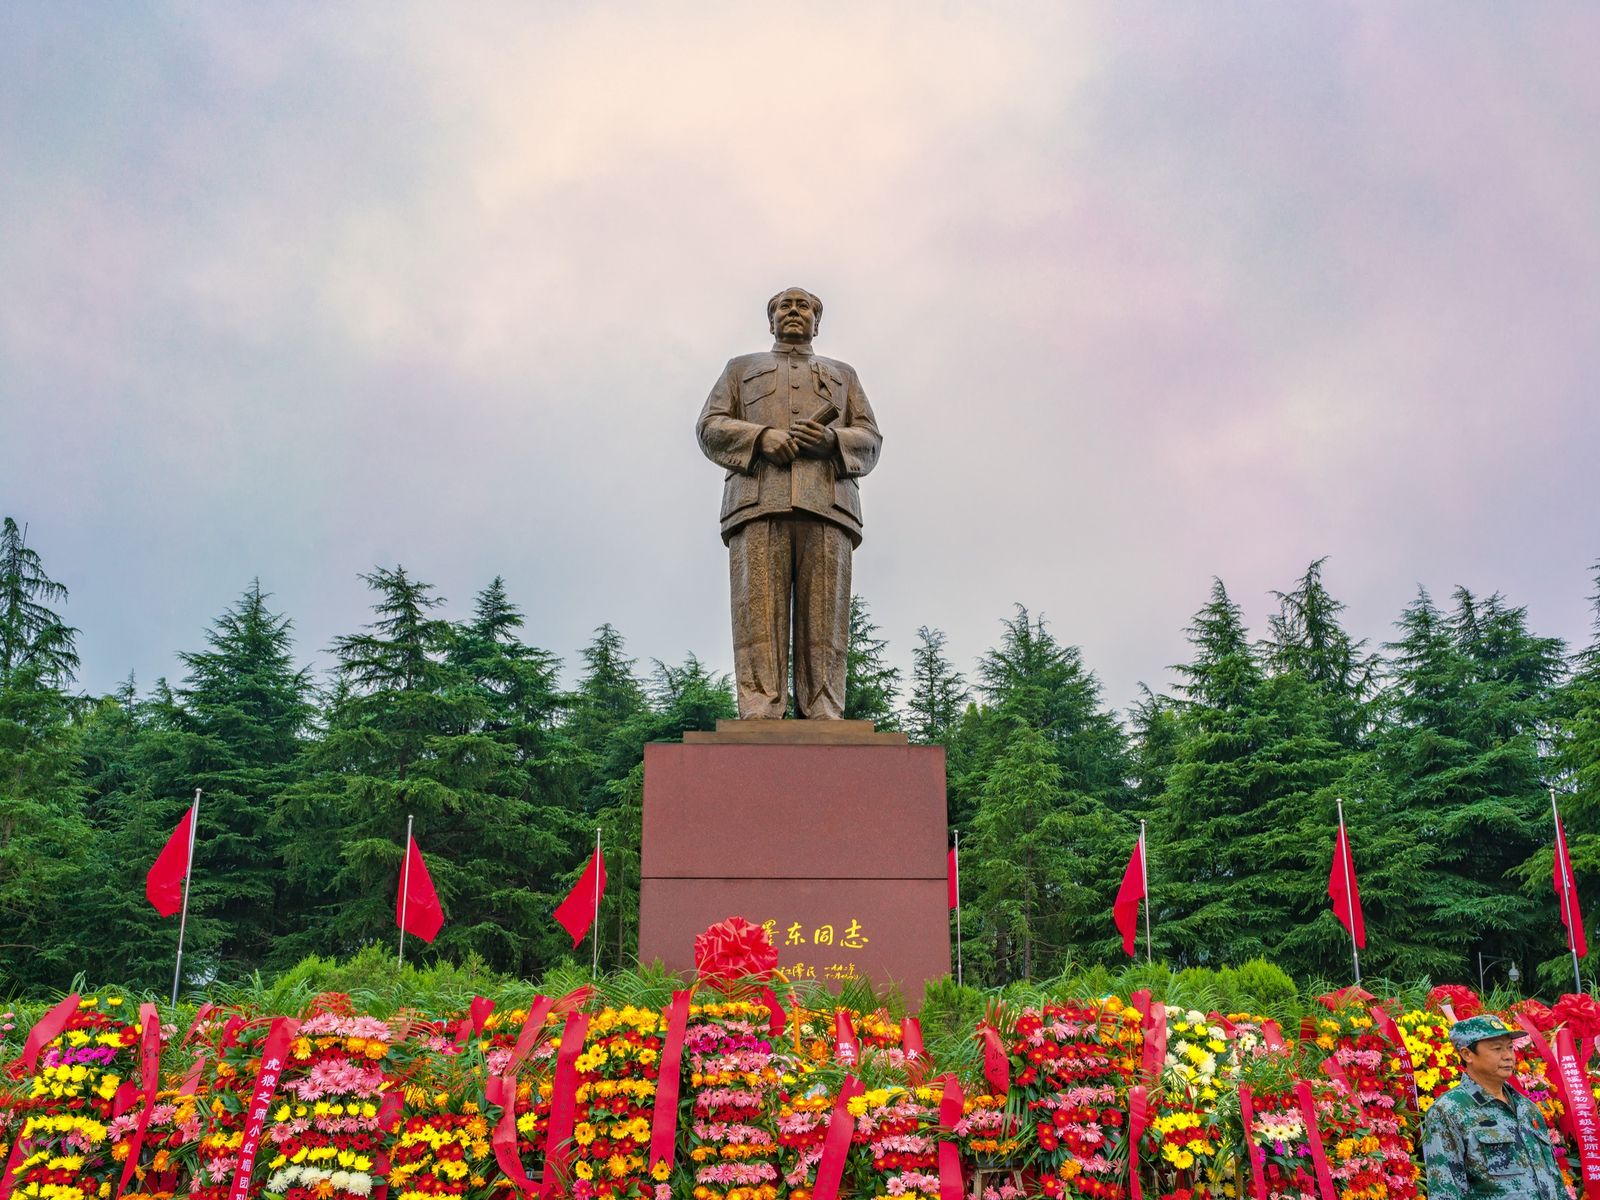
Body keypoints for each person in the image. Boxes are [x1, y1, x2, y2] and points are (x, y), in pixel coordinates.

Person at [696, 288, 882, 719]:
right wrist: (761, 438)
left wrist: (832, 440)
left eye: (804, 307)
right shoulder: (740, 369)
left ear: (817, 323)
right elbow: (709, 426)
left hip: (828, 506)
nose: (794, 311)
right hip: (758, 502)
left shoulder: (844, 375)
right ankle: (760, 708)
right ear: (771, 320)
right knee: (756, 614)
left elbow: (871, 440)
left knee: (826, 619)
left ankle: (823, 708)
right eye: (785, 305)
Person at [1420, 1014, 1567, 1199]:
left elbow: (1555, 1181)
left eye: (1510, 1048)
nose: (1508, 1056)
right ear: (1467, 1054)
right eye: (1497, 1048)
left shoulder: (1527, 1109)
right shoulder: (1449, 1110)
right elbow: (1445, 1191)